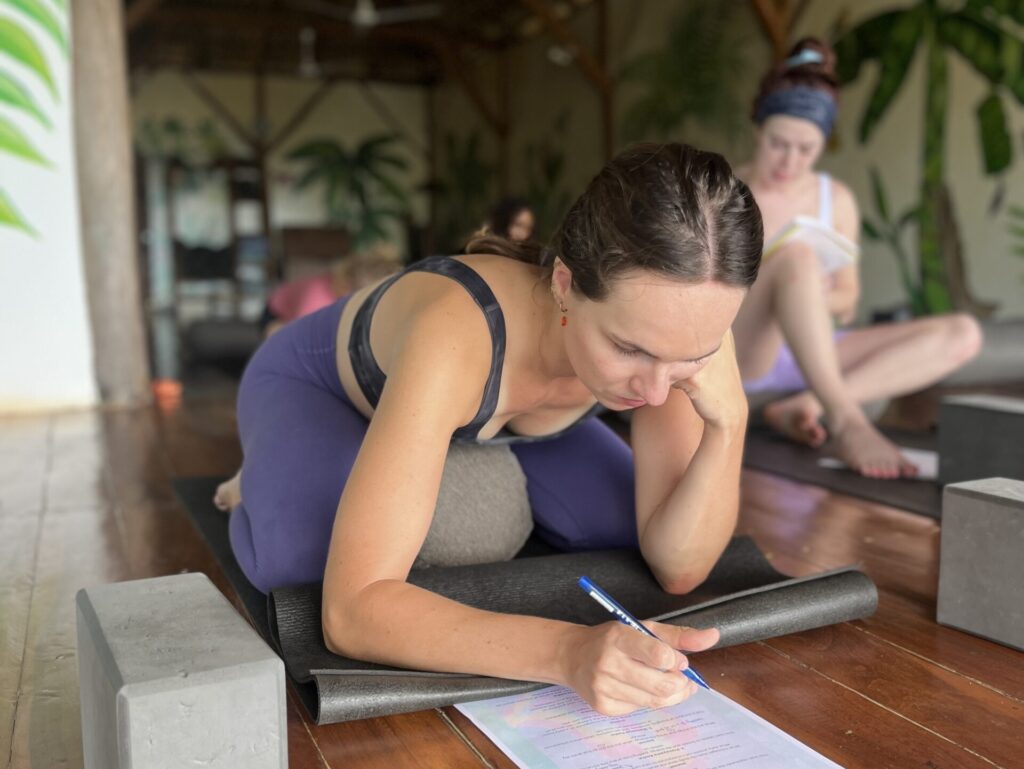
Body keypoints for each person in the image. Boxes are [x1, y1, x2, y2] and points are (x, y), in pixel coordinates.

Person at [215, 143, 763, 716]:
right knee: (303, 570)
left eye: (690, 358)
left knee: (635, 534)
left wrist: (729, 422)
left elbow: (679, 569)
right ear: (564, 284)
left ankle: (473, 442)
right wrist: (569, 652)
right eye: (629, 348)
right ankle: (256, 475)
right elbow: (351, 612)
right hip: (317, 388)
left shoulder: (680, 327)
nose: (655, 394)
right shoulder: (457, 332)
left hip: (516, 422)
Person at [732, 38, 982, 479]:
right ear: (758, 129)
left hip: (815, 350)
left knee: (964, 333)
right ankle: (849, 422)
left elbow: (848, 300)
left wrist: (811, 294)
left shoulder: (837, 200)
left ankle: (808, 403)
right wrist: (787, 278)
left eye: (806, 149)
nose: (789, 161)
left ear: (823, 144)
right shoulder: (722, 190)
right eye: (778, 144)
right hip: (745, 347)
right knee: (797, 256)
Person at [261, 243, 402, 337]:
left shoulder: (343, 286)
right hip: (276, 311)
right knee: (277, 333)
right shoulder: (315, 301)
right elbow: (300, 339)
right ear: (347, 284)